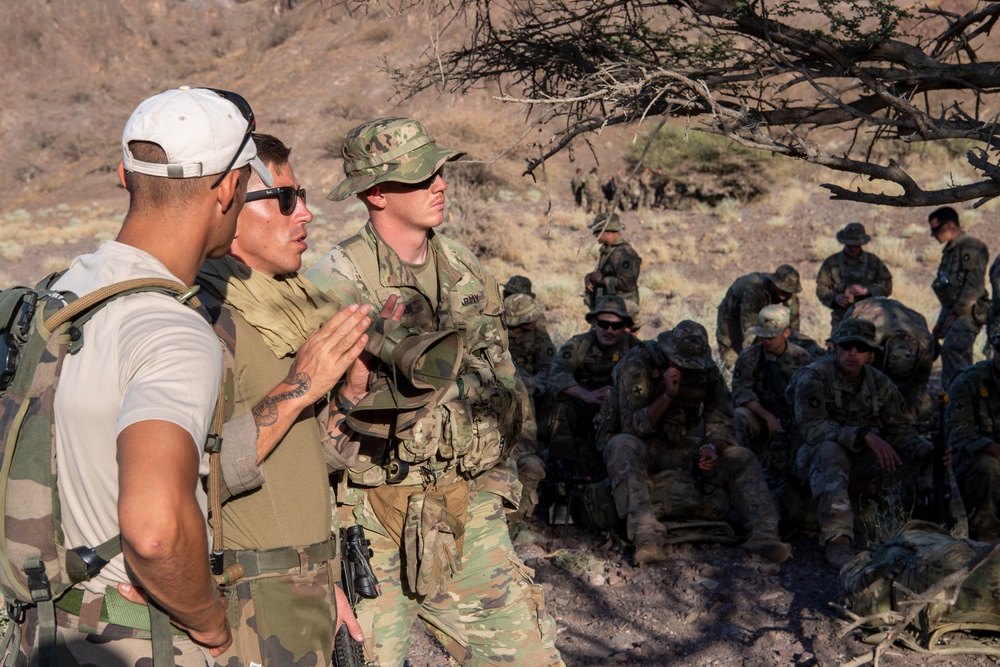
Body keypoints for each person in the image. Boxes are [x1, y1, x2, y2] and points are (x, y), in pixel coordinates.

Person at [20, 86, 271, 665]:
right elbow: (154, 533)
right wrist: (210, 621)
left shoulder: (59, 294)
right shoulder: (170, 329)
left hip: (39, 628)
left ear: (124, 176)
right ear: (229, 188)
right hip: (132, 639)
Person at [303, 117, 563, 667]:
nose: (439, 184)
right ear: (375, 193)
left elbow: (503, 379)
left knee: (527, 656)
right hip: (370, 519)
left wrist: (509, 480)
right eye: (421, 177)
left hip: (465, 502)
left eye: (438, 172)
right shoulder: (335, 284)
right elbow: (308, 428)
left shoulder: (464, 268)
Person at [194, 134, 368, 665]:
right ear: (230, 205)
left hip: (302, 587)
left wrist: (350, 394)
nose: (306, 213)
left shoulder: (286, 307)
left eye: (303, 197)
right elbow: (196, 474)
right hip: (244, 605)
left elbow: (305, 460)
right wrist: (301, 385)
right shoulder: (204, 319)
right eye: (286, 198)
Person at [602, 321, 791, 565]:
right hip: (646, 446)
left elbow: (721, 419)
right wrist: (667, 395)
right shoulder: (638, 362)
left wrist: (712, 447)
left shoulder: (706, 370)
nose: (686, 369)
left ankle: (765, 537)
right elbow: (632, 426)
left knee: (742, 457)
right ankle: (646, 537)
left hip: (685, 445)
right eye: (681, 363)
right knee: (621, 445)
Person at [791, 318, 949, 569]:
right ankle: (838, 540)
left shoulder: (881, 384)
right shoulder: (813, 377)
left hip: (861, 462)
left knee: (931, 459)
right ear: (835, 347)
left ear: (871, 353)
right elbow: (813, 428)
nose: (853, 353)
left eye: (861, 347)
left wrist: (922, 448)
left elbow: (900, 430)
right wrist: (863, 435)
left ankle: (942, 529)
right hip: (813, 460)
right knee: (830, 450)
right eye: (847, 346)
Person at [547, 295, 640, 482]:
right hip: (584, 405)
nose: (609, 330)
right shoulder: (578, 344)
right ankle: (562, 467)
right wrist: (586, 395)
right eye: (604, 324)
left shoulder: (635, 349)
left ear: (625, 326)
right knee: (562, 402)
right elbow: (557, 374)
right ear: (594, 322)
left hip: (620, 410)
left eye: (616, 326)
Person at [731, 305, 812, 478]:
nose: (766, 341)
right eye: (763, 336)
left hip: (792, 419)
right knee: (737, 416)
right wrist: (768, 418)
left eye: (771, 337)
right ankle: (741, 468)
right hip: (759, 415)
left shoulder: (802, 358)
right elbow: (741, 391)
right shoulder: (750, 356)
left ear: (786, 333)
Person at [946, 325, 1000, 542]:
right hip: (973, 458)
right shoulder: (969, 380)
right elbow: (956, 431)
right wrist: (991, 447)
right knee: (988, 466)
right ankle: (986, 535)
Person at [927, 206, 990, 388]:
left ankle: (961, 396)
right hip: (954, 312)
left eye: (935, 229)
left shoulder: (971, 247)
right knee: (948, 353)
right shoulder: (950, 252)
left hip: (969, 311)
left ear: (949, 225)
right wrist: (942, 322)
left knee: (953, 349)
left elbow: (974, 286)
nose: (932, 235)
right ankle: (954, 396)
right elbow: (948, 294)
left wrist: (953, 316)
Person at [845, 297, 936, 418]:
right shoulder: (866, 337)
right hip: (865, 309)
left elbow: (921, 379)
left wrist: (913, 404)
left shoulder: (925, 345)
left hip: (907, 319)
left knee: (925, 408)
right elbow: (849, 370)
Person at [716, 264, 802, 369]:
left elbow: (793, 326)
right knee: (733, 358)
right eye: (782, 289)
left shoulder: (789, 295)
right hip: (733, 314)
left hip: (762, 313)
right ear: (774, 283)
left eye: (788, 291)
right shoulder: (755, 288)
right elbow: (749, 329)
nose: (784, 296)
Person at [815, 222, 893, 337]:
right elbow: (821, 288)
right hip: (841, 318)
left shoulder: (873, 261)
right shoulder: (831, 262)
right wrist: (834, 298)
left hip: (870, 318)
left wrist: (868, 290)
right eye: (849, 245)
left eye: (856, 246)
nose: (853, 249)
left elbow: (887, 285)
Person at [583, 212, 642, 311]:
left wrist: (603, 280)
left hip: (622, 309)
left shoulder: (624, 253)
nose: (594, 235)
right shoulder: (607, 250)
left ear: (608, 232)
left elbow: (627, 284)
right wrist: (590, 277)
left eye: (597, 231)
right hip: (608, 305)